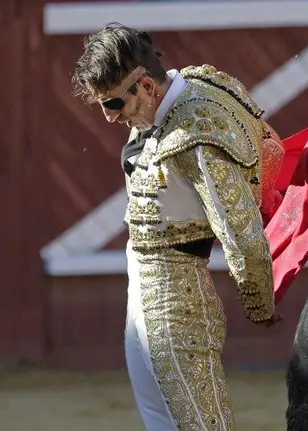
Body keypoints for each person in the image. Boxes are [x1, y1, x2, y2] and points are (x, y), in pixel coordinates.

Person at [72, 23, 283, 430]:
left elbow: (239, 231)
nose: (108, 117)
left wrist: (260, 302)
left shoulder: (193, 136)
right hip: (150, 286)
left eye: (114, 104)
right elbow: (270, 145)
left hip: (175, 300)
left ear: (147, 87)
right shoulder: (202, 80)